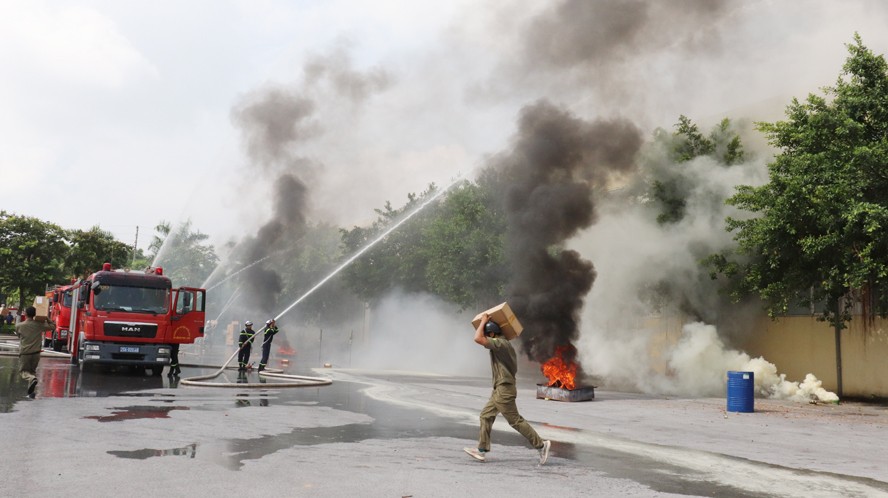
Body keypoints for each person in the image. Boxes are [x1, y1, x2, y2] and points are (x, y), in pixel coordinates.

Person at [464, 312, 551, 465]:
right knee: (486, 415)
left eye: (488, 334)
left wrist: (483, 321)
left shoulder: (501, 344)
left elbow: (477, 338)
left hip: (504, 389)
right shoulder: (502, 345)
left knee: (515, 421)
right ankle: (482, 450)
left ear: (492, 333)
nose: (487, 337)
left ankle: (541, 445)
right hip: (500, 388)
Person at [14, 306, 54, 398]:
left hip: (25, 353)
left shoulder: (19, 326)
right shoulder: (39, 325)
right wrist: (47, 318)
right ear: (34, 314)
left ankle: (32, 380)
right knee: (32, 372)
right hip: (36, 353)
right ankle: (31, 392)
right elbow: (53, 326)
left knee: (24, 372)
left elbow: (19, 337)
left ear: (26, 314)